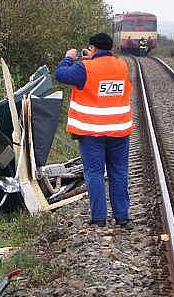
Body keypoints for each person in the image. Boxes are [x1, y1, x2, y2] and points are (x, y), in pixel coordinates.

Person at [55, 33, 133, 227]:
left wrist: (69, 58)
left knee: (95, 173)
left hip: (92, 133)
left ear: (93, 49)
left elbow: (61, 74)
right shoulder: (122, 65)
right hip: (119, 132)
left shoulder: (84, 68)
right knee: (119, 173)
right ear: (110, 48)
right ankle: (122, 216)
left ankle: (99, 218)